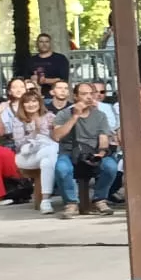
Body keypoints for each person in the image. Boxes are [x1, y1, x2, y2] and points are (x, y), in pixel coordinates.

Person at [50, 81, 116, 217]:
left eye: (91, 94)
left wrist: (102, 152)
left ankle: (100, 199)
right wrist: (75, 116)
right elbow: (57, 136)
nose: (89, 97)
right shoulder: (64, 114)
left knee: (110, 166)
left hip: (92, 152)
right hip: (69, 152)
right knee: (62, 168)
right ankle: (71, 203)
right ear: (75, 97)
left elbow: (103, 138)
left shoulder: (100, 115)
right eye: (84, 94)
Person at [7, 91, 60, 214]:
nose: (31, 104)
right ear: (23, 105)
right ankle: (52, 197)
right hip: (26, 156)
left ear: (39, 103)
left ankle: (45, 200)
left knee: (47, 162)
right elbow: (19, 144)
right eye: (27, 102)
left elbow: (56, 138)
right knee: (53, 149)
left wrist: (52, 130)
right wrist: (36, 131)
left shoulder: (50, 116)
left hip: (46, 152)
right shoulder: (18, 120)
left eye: (34, 101)